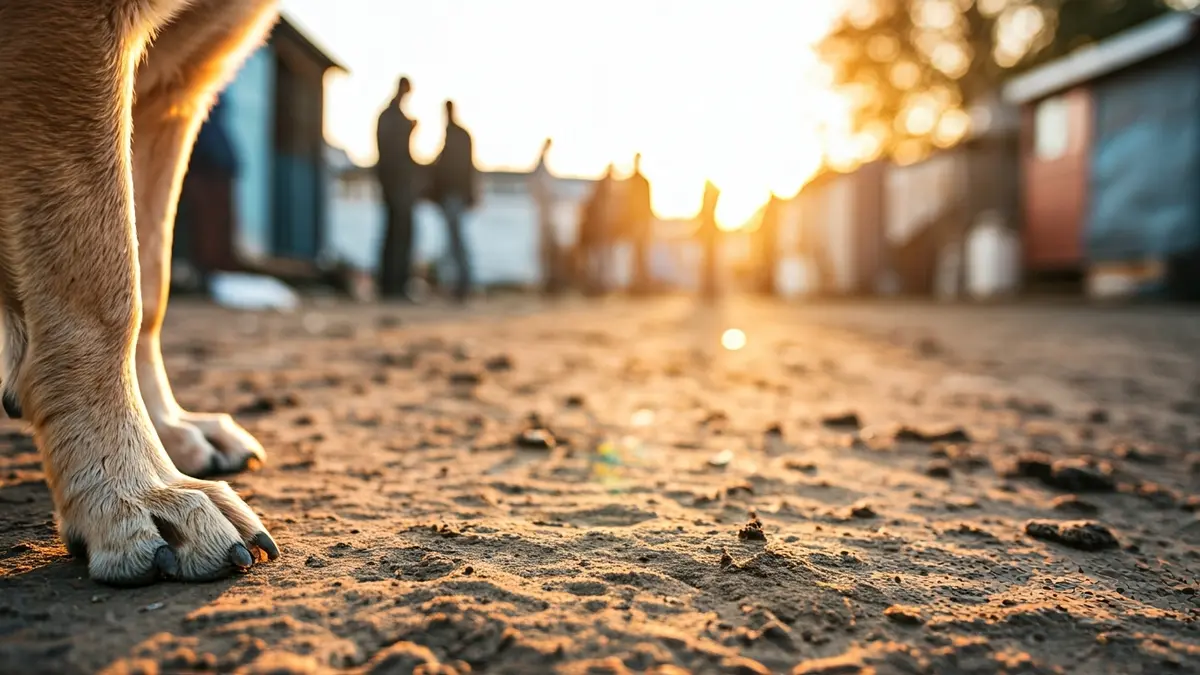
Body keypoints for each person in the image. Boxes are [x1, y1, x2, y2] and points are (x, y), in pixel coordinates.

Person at [374, 76, 418, 300]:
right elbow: (392, 153)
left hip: (396, 183)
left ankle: (394, 285)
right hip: (396, 184)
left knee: (397, 234)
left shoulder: (392, 116)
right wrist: (409, 130)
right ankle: (393, 285)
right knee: (398, 235)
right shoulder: (392, 117)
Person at [431, 100, 478, 303]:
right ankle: (458, 284)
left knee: (456, 242)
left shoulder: (456, 136)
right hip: (452, 195)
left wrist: (469, 194)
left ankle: (463, 285)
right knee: (453, 242)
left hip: (454, 195)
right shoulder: (455, 135)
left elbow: (465, 167)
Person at [529, 138, 560, 295]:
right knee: (544, 250)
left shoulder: (543, 168)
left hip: (546, 215)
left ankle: (548, 281)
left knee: (547, 250)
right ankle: (545, 282)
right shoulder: (541, 169)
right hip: (543, 216)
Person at [580, 164, 616, 296]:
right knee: (599, 261)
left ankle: (598, 286)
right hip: (599, 233)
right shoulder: (602, 192)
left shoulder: (599, 191)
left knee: (599, 260)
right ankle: (598, 287)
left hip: (601, 233)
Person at [623, 153, 654, 295]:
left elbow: (647, 205)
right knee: (635, 257)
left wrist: (645, 224)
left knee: (641, 257)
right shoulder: (632, 182)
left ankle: (642, 286)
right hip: (633, 223)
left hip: (640, 223)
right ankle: (637, 286)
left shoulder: (642, 182)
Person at [697, 180, 722, 302]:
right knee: (708, 264)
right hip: (709, 233)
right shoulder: (710, 194)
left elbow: (704, 214)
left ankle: (710, 290)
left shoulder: (710, 194)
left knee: (709, 264)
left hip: (710, 233)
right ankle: (709, 290)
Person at [756, 192, 781, 296]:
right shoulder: (769, 212)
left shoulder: (772, 212)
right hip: (767, 246)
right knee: (766, 267)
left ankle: (770, 288)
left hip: (770, 246)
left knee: (769, 267)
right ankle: (767, 288)